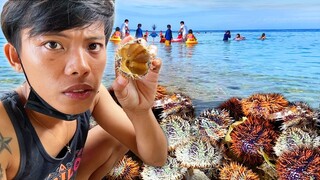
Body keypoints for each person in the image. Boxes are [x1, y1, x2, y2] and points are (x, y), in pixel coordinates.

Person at [0, 1, 168, 179]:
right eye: (53, 45)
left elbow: (156, 158)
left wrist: (139, 111)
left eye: (93, 46)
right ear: (15, 57)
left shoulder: (94, 96)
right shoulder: (5, 132)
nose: (81, 67)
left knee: (114, 137)